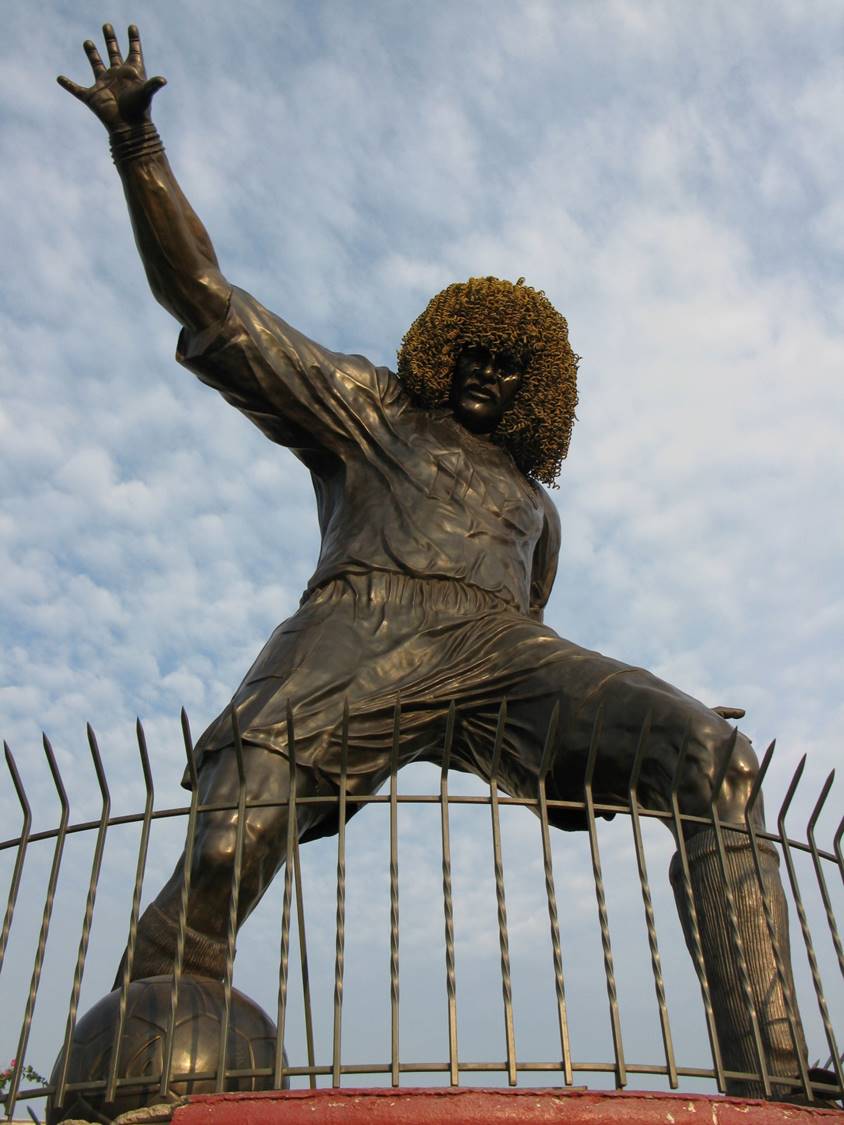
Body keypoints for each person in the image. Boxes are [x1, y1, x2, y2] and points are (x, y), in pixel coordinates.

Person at [58, 25, 830, 1103]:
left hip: (503, 658)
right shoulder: (369, 410)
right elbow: (209, 299)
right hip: (350, 639)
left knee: (714, 758)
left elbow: (546, 651)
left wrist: (647, 708)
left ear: (537, 391)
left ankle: (779, 1076)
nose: (482, 374)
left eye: (508, 367)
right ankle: (131, 1077)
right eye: (468, 352)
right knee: (225, 858)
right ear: (437, 347)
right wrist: (139, 148)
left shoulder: (534, 508)